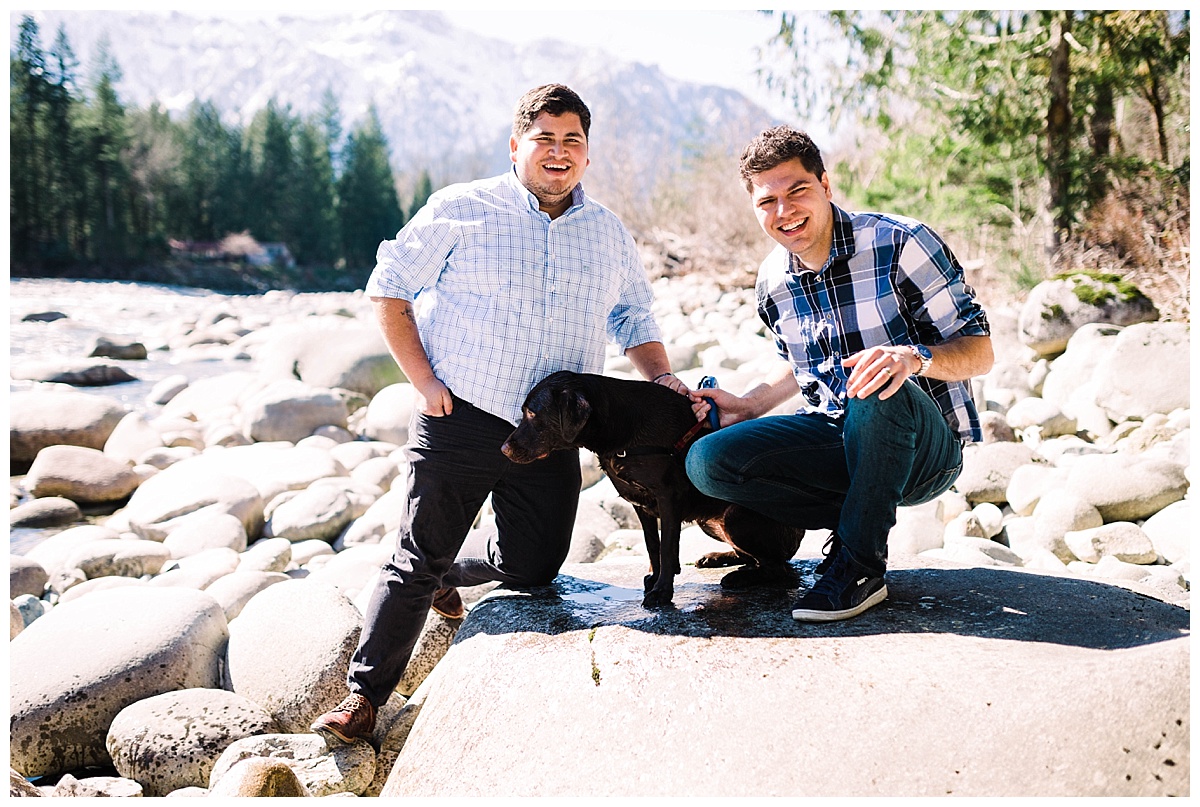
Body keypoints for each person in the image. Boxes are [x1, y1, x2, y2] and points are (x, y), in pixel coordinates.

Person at [311, 84, 694, 743]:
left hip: (551, 433)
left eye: (572, 140)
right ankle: (364, 697)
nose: (558, 152)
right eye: (544, 138)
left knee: (534, 566)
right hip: (460, 410)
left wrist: (662, 379)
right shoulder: (464, 208)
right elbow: (389, 284)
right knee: (416, 551)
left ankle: (451, 574)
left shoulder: (605, 232)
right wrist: (422, 379)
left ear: (587, 156)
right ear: (516, 145)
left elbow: (633, 315)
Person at [684, 125, 993, 623]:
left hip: (924, 450)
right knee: (707, 463)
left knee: (874, 382)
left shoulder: (901, 243)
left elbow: (981, 351)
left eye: (798, 191)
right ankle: (842, 524)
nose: (784, 213)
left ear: (826, 186)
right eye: (767, 202)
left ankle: (860, 566)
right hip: (837, 437)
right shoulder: (772, 280)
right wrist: (752, 403)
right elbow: (803, 363)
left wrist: (912, 358)